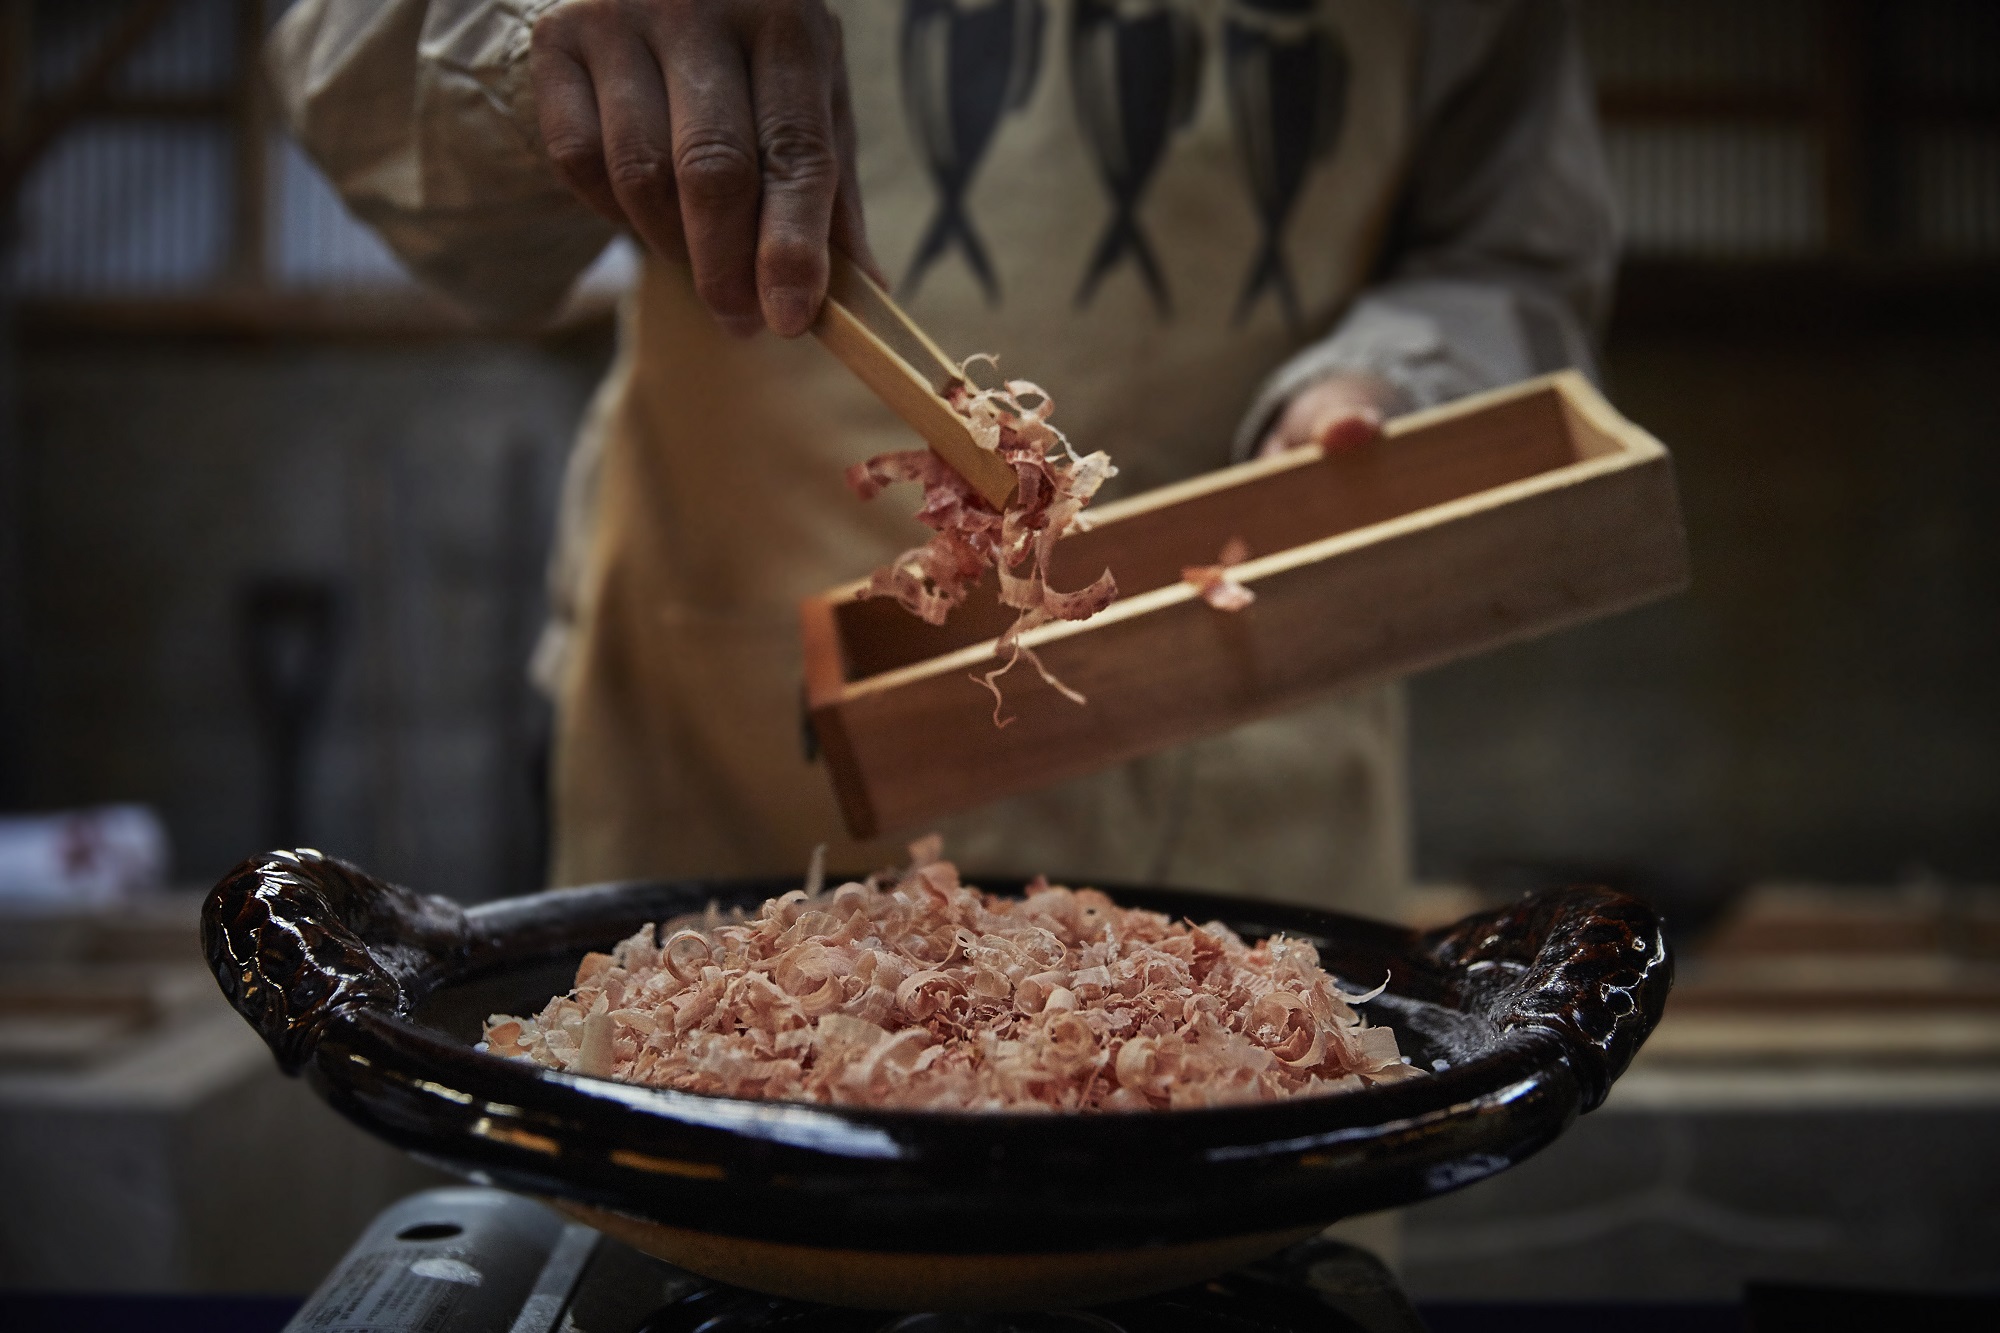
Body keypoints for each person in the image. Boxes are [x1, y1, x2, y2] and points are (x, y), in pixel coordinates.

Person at [269, 0, 1615, 921]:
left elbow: (1509, 246)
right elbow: (344, 72)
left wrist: (1396, 382)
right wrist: (544, 29)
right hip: (731, 794)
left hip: (1250, 783)